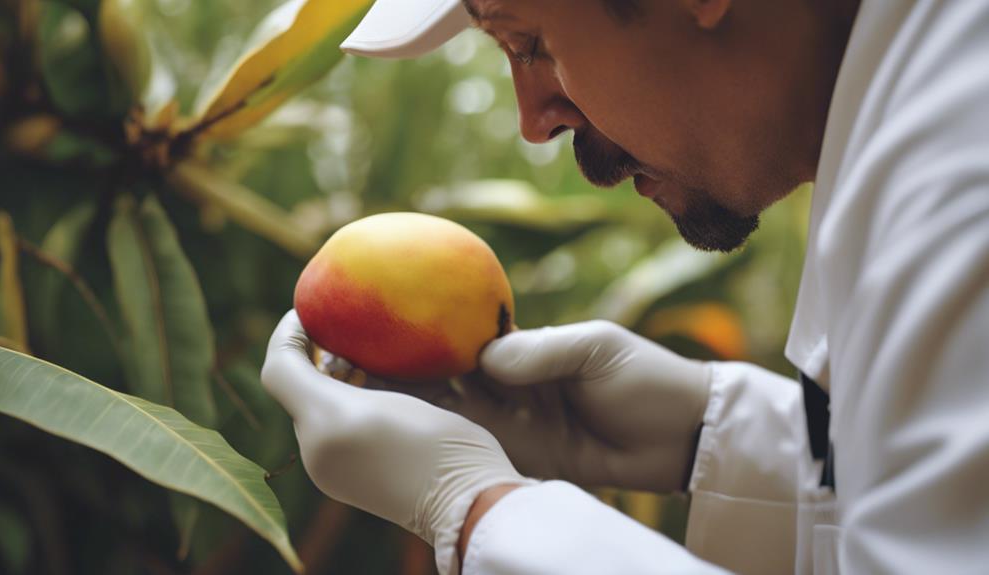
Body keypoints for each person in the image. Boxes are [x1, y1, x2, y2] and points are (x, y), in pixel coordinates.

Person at [260, 0, 989, 573]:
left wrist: (476, 512)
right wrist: (711, 435)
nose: (534, 122)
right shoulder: (917, 121)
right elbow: (926, 512)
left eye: (530, 41)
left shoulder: (961, 181)